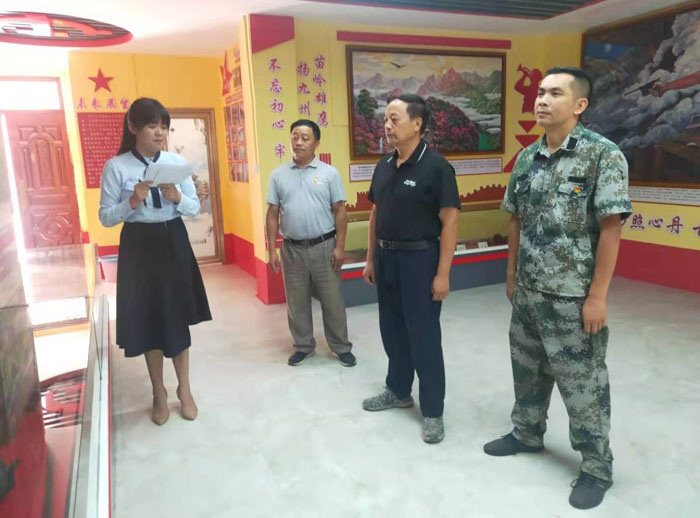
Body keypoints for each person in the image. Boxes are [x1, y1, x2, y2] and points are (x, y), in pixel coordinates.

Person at [483, 67, 632, 510]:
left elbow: (611, 229)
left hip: (573, 298)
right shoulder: (528, 157)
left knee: (583, 384)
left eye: (555, 93)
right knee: (527, 369)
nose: (542, 100)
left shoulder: (602, 155)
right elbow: (516, 219)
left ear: (579, 105)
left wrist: (597, 297)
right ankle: (527, 433)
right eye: (540, 92)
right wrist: (511, 276)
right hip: (529, 293)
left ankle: (596, 467)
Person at [99, 98, 211, 425]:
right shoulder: (117, 167)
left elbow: (194, 207)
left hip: (173, 240)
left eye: (164, 126)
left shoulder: (176, 163)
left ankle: (184, 389)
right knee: (150, 320)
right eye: (152, 125)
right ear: (133, 127)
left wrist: (178, 197)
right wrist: (132, 201)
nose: (160, 132)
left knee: (176, 317)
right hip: (139, 244)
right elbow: (106, 217)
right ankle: (158, 391)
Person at [361, 94, 460, 444]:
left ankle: (432, 411)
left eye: (395, 119)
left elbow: (450, 222)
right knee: (391, 329)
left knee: (424, 336)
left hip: (420, 261)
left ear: (417, 124)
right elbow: (375, 213)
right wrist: (371, 258)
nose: (387, 125)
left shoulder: (436, 167)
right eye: (385, 119)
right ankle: (398, 390)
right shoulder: (384, 165)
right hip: (386, 259)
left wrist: (443, 274)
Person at [266, 119, 356, 368]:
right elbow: (272, 214)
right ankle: (303, 346)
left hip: (324, 247)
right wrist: (271, 249)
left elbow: (340, 211)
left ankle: (341, 346)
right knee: (296, 302)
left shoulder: (329, 174)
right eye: (295, 137)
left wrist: (340, 247)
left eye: (305, 138)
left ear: (316, 143)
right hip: (291, 248)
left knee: (333, 300)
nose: (298, 142)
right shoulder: (278, 175)